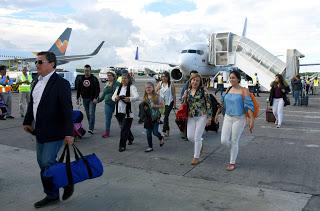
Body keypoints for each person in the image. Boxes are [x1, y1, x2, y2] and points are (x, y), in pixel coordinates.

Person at [22, 51, 74, 208]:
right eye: (36, 62)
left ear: (52, 64)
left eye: (40, 62)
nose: (36, 65)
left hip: (56, 131)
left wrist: (69, 133)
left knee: (46, 161)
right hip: (40, 130)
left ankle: (54, 192)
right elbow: (33, 104)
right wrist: (27, 121)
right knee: (43, 163)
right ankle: (62, 184)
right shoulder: (36, 82)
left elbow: (67, 110)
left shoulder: (61, 84)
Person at [220, 70, 254, 171]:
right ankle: (233, 149)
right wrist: (216, 115)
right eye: (230, 78)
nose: (231, 79)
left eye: (233, 78)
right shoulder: (228, 89)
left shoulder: (244, 91)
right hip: (227, 117)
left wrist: (251, 119)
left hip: (239, 119)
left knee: (234, 140)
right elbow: (222, 103)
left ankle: (232, 162)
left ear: (238, 79)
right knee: (224, 140)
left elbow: (249, 106)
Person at [182, 73, 212, 165]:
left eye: (197, 80)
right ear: (190, 81)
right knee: (190, 137)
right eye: (193, 80)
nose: (195, 82)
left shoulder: (203, 90)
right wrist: (184, 98)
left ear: (200, 82)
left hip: (202, 115)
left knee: (197, 136)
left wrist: (209, 117)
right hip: (191, 116)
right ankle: (200, 144)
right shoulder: (187, 91)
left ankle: (196, 157)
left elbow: (209, 104)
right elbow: (184, 103)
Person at [112, 73, 139, 152]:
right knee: (124, 128)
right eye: (122, 78)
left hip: (128, 112)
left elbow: (137, 97)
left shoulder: (132, 87)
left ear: (129, 79)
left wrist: (129, 99)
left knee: (124, 129)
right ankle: (130, 137)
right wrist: (116, 98)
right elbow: (113, 97)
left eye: (125, 78)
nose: (123, 80)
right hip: (119, 111)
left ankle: (122, 146)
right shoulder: (118, 88)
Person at [76, 64, 100, 135]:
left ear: (90, 71)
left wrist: (95, 97)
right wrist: (78, 98)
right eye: (85, 71)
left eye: (88, 71)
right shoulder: (81, 78)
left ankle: (91, 128)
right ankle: (91, 124)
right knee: (88, 114)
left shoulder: (94, 79)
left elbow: (97, 89)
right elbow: (78, 89)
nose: (86, 72)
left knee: (91, 113)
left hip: (92, 99)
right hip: (84, 99)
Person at [141, 82, 165, 152]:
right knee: (148, 133)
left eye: (149, 87)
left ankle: (161, 138)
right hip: (148, 118)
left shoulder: (157, 96)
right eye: (146, 88)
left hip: (155, 117)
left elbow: (162, 105)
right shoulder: (145, 97)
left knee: (155, 132)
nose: (148, 89)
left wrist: (155, 106)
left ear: (153, 88)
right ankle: (150, 146)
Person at [98, 70, 120, 138]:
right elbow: (104, 94)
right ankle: (107, 132)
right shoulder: (107, 83)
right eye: (108, 75)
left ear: (114, 76)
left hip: (116, 104)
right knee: (107, 119)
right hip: (108, 104)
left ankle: (125, 131)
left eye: (110, 75)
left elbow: (117, 93)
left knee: (120, 119)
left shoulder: (117, 83)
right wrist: (98, 100)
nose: (108, 77)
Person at [156, 71, 176, 137]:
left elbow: (174, 95)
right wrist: (158, 91)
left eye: (165, 77)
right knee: (164, 117)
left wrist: (175, 104)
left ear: (168, 77)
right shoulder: (160, 83)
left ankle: (164, 131)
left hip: (169, 102)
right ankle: (167, 129)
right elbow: (155, 91)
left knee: (166, 116)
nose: (164, 78)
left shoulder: (171, 84)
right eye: (162, 76)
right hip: (162, 103)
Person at [179, 70, 198, 139]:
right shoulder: (187, 83)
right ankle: (186, 134)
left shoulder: (199, 84)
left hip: (196, 106)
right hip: (188, 104)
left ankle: (192, 133)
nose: (193, 77)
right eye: (192, 75)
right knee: (186, 119)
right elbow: (182, 93)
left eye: (194, 75)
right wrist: (182, 101)